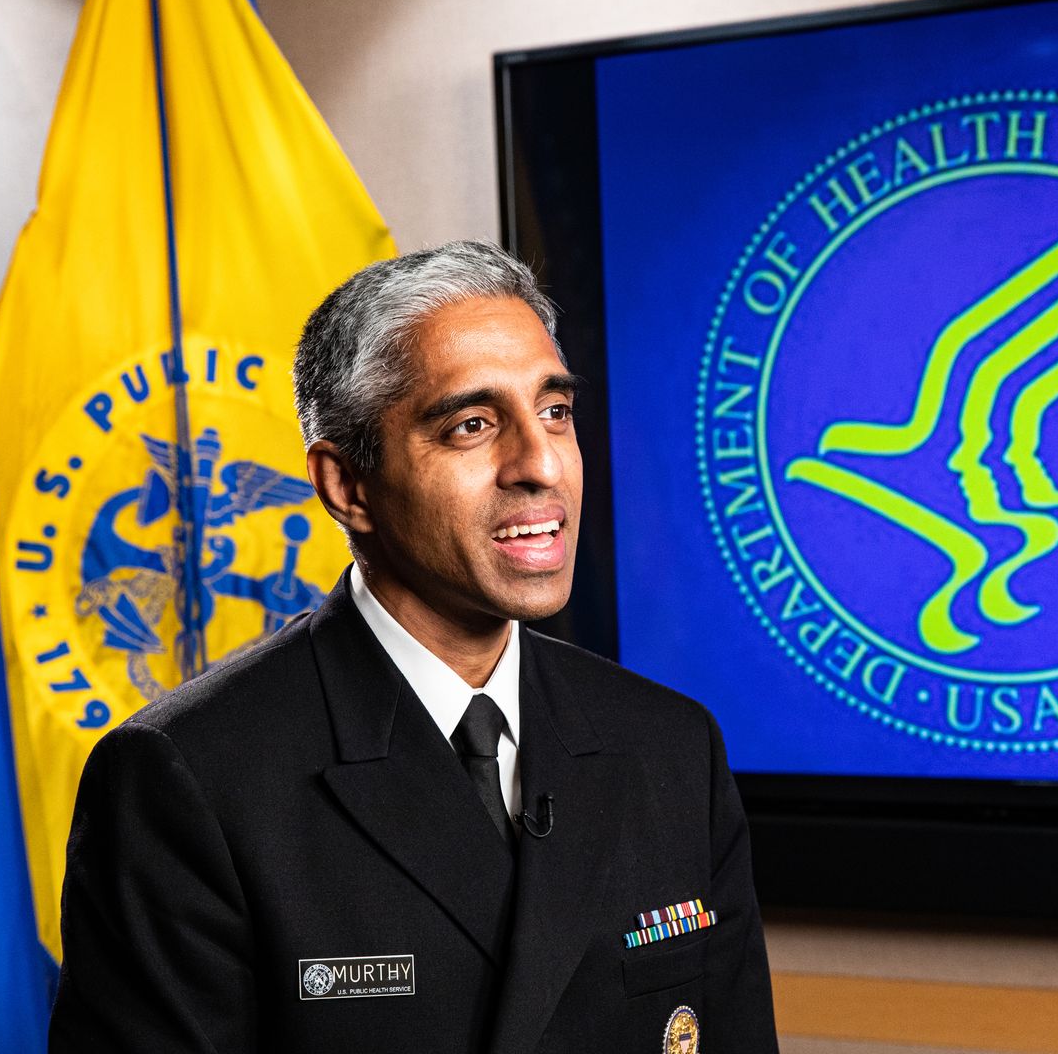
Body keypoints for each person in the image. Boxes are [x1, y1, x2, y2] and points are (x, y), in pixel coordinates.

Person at [50, 241, 778, 1053]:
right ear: (347, 487)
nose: (540, 465)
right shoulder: (190, 777)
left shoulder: (673, 749)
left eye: (555, 412)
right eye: (473, 425)